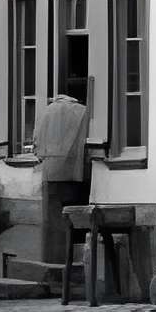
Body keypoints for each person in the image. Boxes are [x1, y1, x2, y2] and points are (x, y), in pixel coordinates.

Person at [35, 80, 91, 277]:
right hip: (74, 171)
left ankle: (53, 260)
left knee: (53, 220)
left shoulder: (47, 111)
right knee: (73, 219)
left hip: (50, 170)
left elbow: (36, 140)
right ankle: (72, 261)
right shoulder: (83, 111)